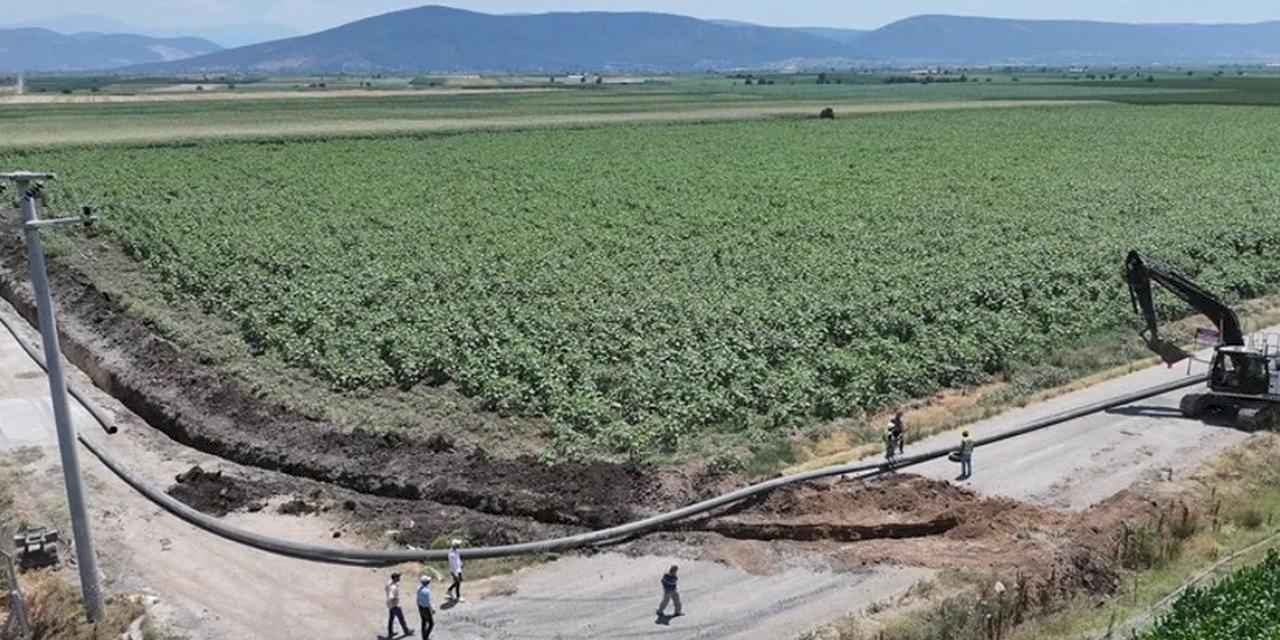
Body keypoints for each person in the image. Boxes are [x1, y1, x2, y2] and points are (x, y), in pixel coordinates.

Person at [385, 572, 412, 639]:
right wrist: (395, 600)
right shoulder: (393, 587)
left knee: (391, 619)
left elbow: (386, 589)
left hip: (390, 605)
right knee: (401, 619)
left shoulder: (389, 583)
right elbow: (391, 597)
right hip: (395, 606)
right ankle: (407, 631)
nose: (399, 578)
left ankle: (390, 632)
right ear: (395, 578)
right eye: (398, 577)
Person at [417, 575, 434, 639]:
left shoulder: (419, 588)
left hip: (420, 607)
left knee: (423, 621)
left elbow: (417, 599)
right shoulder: (427, 591)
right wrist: (432, 610)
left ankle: (423, 636)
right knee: (431, 624)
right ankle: (425, 637)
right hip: (426, 609)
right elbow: (428, 603)